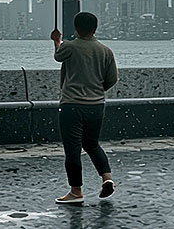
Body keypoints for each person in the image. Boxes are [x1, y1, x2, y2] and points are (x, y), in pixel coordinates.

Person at [50, 11, 117, 205]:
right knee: (92, 144)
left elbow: (58, 56)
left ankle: (76, 191)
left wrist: (56, 41)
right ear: (95, 28)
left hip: (72, 105)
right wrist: (96, 91)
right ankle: (107, 178)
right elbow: (112, 79)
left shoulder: (70, 46)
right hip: (96, 105)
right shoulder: (105, 51)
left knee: (72, 149)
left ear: (76, 28)